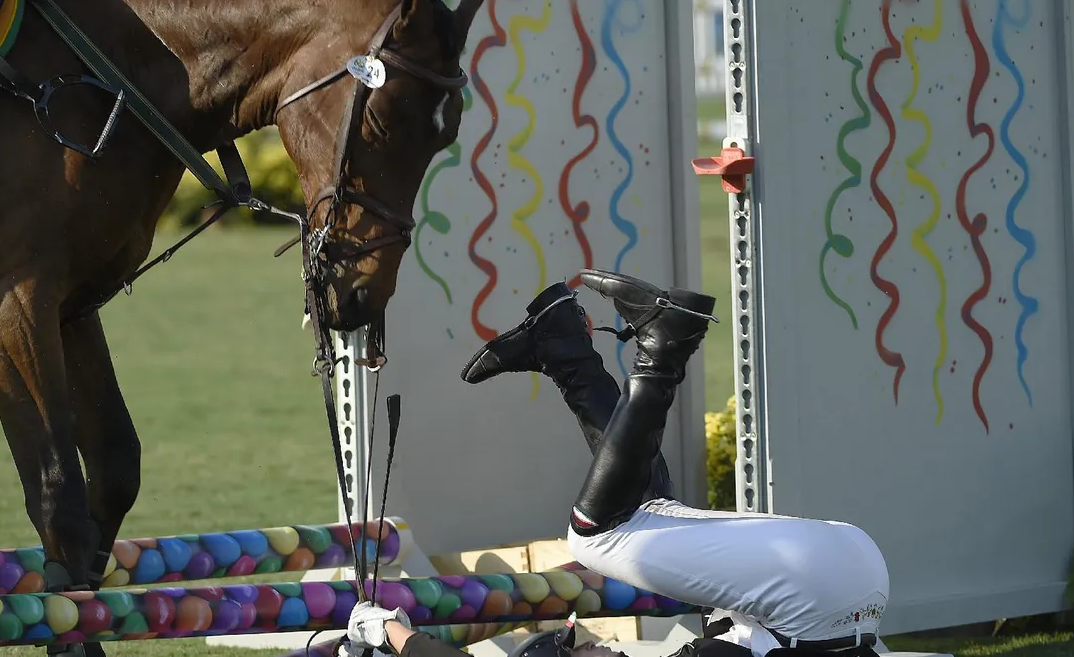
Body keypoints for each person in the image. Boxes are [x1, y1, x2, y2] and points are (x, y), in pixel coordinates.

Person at [344, 269, 889, 657]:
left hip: (844, 577)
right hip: (819, 590)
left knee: (644, 509)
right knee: (595, 539)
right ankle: (663, 347)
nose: (592, 639)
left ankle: (563, 347)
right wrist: (389, 634)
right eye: (578, 649)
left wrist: (391, 634)